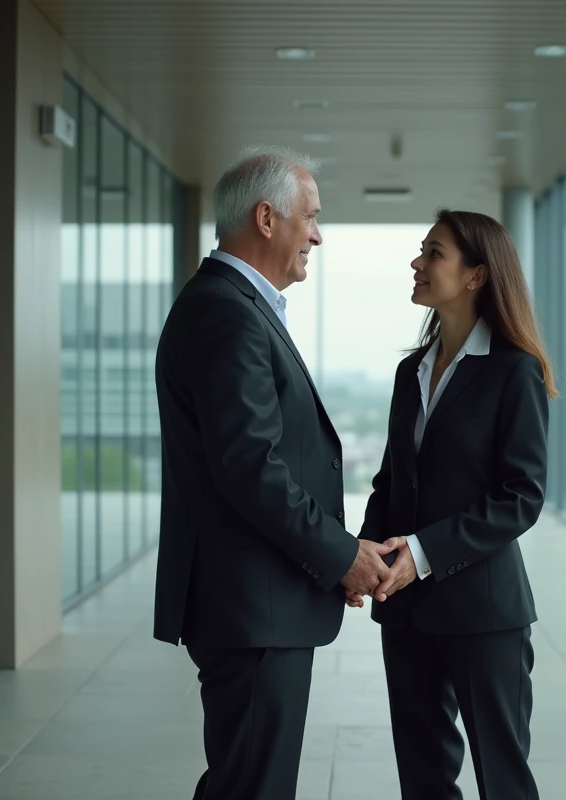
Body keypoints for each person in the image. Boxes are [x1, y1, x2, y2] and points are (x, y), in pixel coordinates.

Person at [153, 145, 396, 800]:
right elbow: (251, 467)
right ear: (267, 218)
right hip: (252, 607)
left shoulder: (231, 304)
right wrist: (340, 556)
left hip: (257, 600)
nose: (317, 235)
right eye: (310, 217)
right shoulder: (227, 312)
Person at [350, 209, 557, 799]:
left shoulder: (515, 372)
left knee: (503, 779)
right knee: (422, 780)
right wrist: (361, 555)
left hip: (484, 611)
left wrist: (421, 553)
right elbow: (392, 481)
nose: (417, 262)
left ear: (476, 275)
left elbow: (521, 497)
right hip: (405, 611)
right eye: (422, 250)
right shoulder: (409, 371)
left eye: (433, 253)